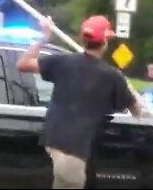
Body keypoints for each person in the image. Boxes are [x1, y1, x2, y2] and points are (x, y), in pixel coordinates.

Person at [16, 15, 143, 189]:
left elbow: (23, 64)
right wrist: (130, 92)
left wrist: (43, 38)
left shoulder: (63, 62)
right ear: (104, 41)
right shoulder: (112, 76)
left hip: (54, 141)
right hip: (72, 152)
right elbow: (136, 111)